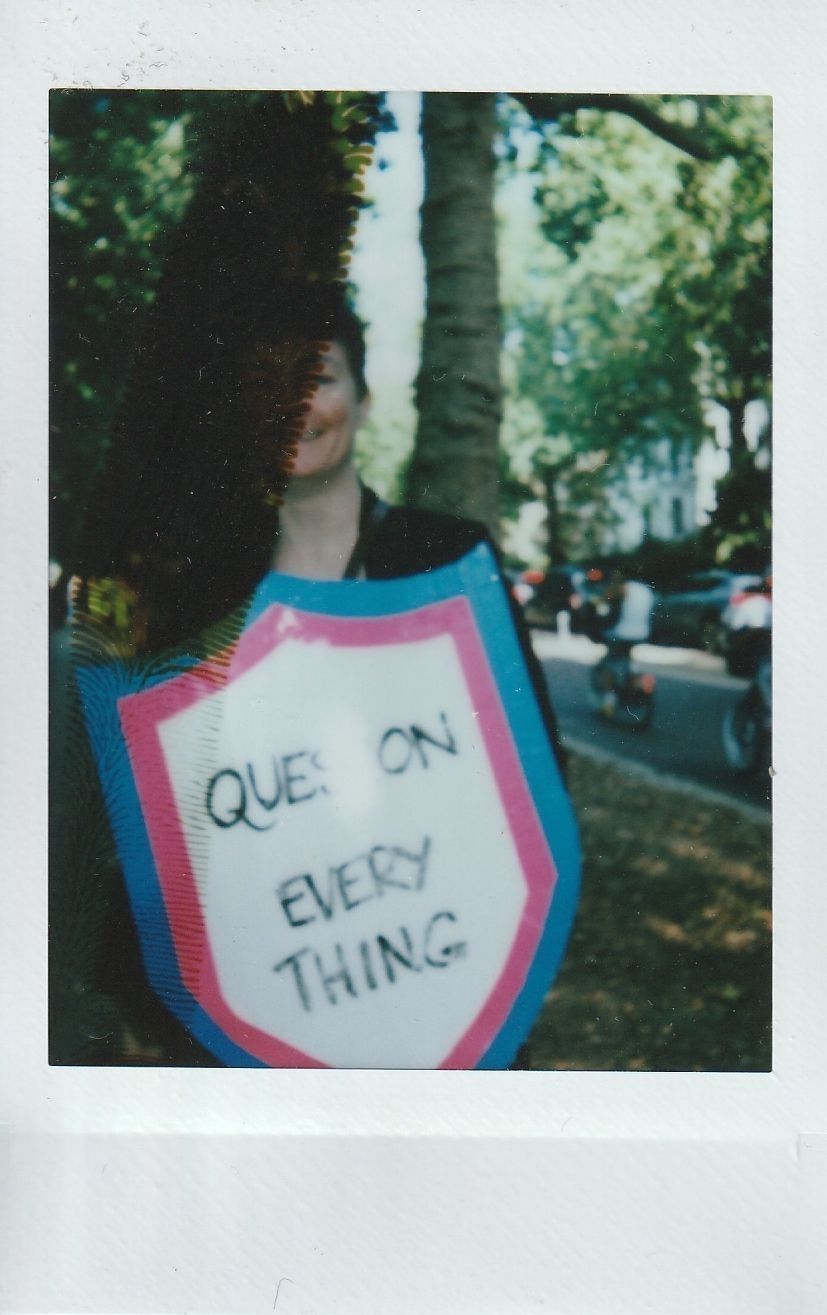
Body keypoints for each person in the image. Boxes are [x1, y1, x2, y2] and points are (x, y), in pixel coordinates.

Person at [52, 288, 565, 1067]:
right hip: (255, 1040)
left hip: (439, 1002)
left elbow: (533, 783)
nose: (293, 402)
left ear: (363, 397)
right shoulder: (191, 605)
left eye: (319, 374)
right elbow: (134, 841)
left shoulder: (448, 563)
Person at [594, 566, 656, 709]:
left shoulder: (625, 588)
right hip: (642, 633)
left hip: (622, 633)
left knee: (609, 664)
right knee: (627, 659)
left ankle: (609, 702)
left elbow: (605, 598)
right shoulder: (646, 590)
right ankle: (635, 681)